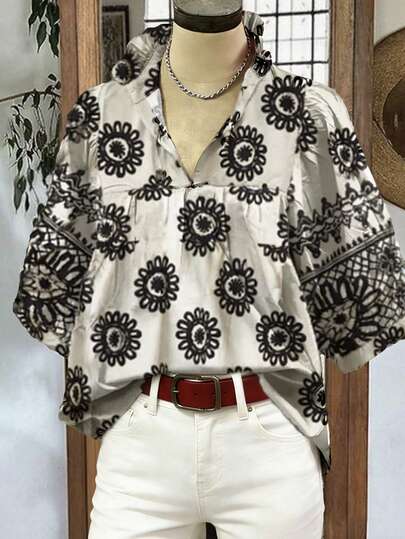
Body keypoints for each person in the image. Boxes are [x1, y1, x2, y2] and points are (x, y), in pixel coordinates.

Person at [12, 3, 405, 538]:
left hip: (268, 439)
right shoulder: (101, 118)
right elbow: (51, 287)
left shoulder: (306, 114)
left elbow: (363, 298)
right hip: (141, 441)